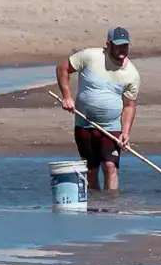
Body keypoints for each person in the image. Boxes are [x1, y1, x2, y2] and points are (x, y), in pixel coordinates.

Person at [56, 27, 140, 196]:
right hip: (84, 123)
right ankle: (94, 210)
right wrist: (67, 96)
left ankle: (111, 210)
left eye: (125, 45)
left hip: (111, 126)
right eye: (118, 45)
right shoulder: (90, 56)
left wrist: (125, 133)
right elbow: (62, 68)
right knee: (90, 170)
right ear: (108, 44)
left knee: (110, 167)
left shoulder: (132, 74)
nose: (122, 50)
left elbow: (129, 106)